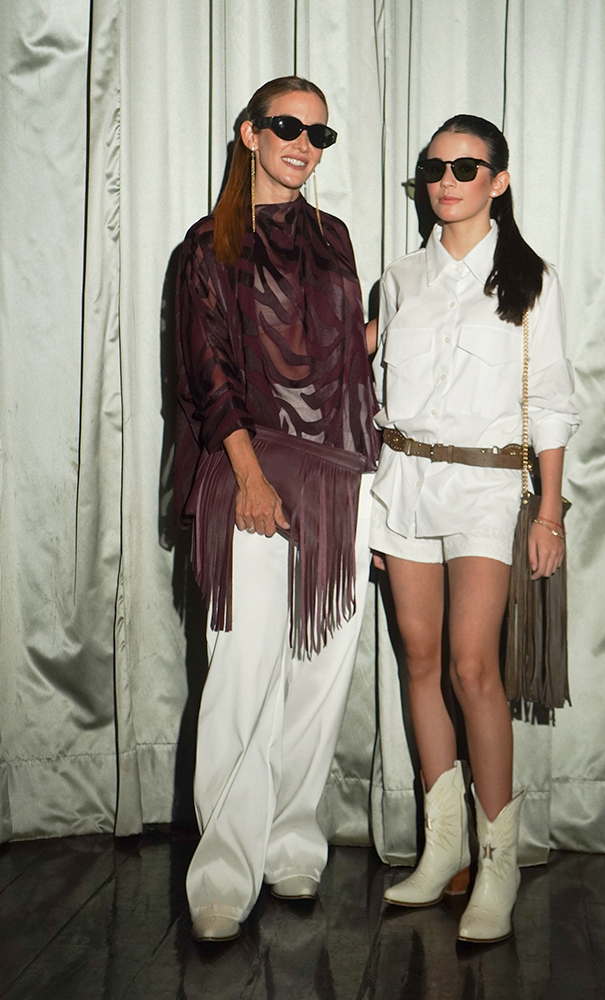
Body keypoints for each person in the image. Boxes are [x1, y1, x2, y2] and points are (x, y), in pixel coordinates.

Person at [174, 76, 380, 943]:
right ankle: (224, 871)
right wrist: (250, 477)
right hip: (248, 471)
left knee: (321, 673)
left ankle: (293, 845)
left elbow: (342, 362)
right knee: (243, 672)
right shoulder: (207, 244)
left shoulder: (334, 238)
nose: (304, 143)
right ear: (250, 133)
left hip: (335, 477)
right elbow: (208, 371)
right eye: (288, 126)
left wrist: (385, 331)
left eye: (319, 134)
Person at [370, 115, 579, 943]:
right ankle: (444, 848)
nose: (447, 181)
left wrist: (550, 512)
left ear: (498, 181)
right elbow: (371, 388)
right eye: (434, 168)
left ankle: (499, 862)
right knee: (419, 661)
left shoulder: (531, 279)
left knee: (471, 666)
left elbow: (552, 401)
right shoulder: (399, 278)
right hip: (402, 481)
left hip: (487, 489)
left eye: (466, 167)